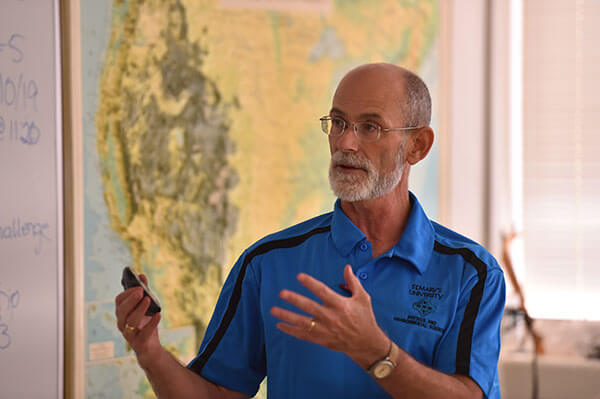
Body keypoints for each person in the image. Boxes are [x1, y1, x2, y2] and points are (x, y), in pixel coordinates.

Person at [115, 63, 505, 398]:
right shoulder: (267, 263)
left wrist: (376, 351)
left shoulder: (472, 273)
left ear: (417, 146)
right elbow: (217, 393)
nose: (345, 142)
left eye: (370, 127)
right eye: (338, 123)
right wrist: (149, 351)